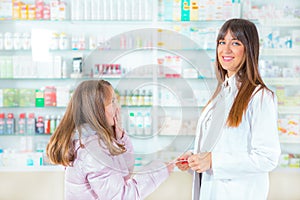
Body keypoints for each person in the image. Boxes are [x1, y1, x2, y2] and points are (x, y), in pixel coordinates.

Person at [176, 18, 281, 200]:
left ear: (249, 49)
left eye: (235, 43)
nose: (226, 49)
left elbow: (267, 157)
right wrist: (196, 159)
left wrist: (213, 161)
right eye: (222, 42)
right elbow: (220, 145)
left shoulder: (260, 97)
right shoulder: (222, 93)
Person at [46, 79, 174, 200]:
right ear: (97, 110)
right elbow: (123, 196)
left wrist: (119, 138)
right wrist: (161, 169)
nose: (117, 108)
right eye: (112, 101)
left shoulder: (95, 140)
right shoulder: (92, 152)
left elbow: (125, 173)